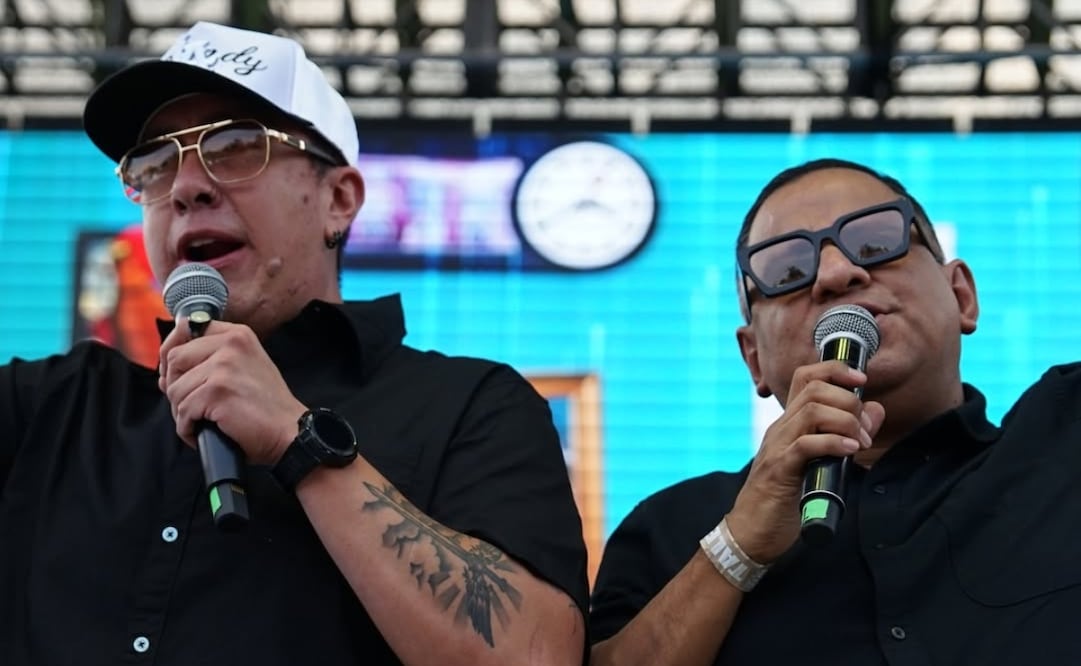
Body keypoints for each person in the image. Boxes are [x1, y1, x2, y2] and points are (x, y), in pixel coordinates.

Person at [0, 21, 588, 665]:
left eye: (234, 145)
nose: (186, 187)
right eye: (155, 163)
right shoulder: (50, 408)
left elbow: (535, 655)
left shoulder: (473, 407)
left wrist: (296, 438)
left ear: (339, 199)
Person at [589, 158, 1081, 665]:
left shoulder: (1064, 440)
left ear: (962, 296)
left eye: (875, 242)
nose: (836, 274)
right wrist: (735, 550)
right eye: (788, 270)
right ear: (753, 358)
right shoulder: (670, 531)